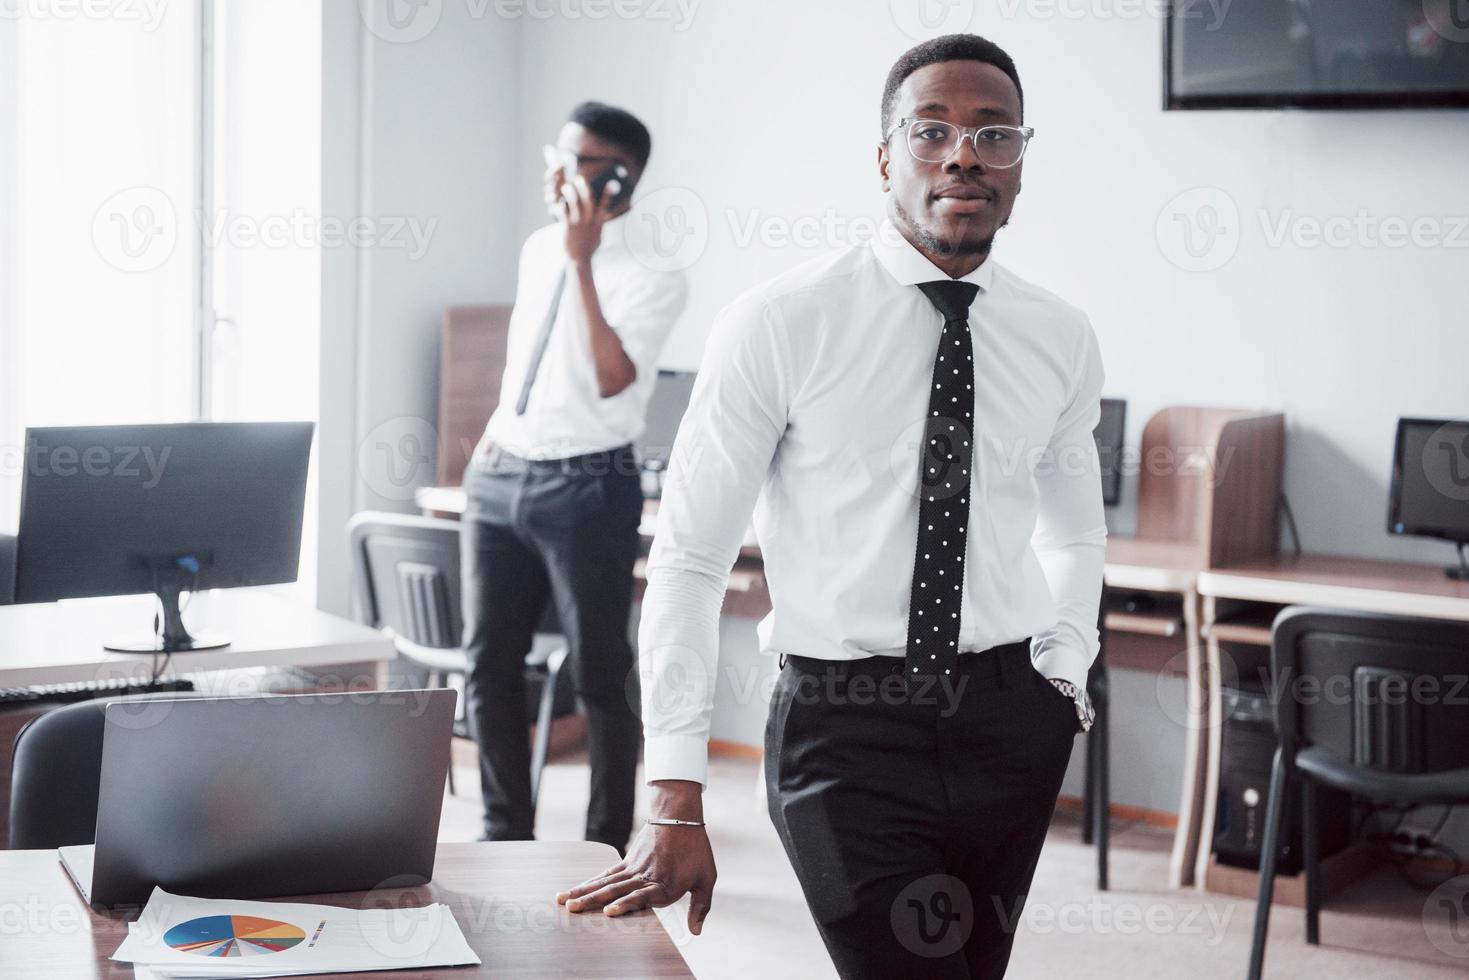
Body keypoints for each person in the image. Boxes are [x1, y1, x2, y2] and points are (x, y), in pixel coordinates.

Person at [556, 33, 1107, 979]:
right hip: (847, 727)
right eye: (930, 130)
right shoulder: (780, 322)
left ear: (1020, 161)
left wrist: (1062, 674)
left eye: (994, 134)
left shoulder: (1059, 334)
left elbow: (1072, 528)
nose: (964, 154)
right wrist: (673, 794)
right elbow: (689, 560)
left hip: (1011, 720)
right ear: (886, 156)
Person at [461, 101, 687, 856]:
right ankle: (503, 834)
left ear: (617, 179)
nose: (554, 171)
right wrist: (487, 449)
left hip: (587, 484)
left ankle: (604, 846)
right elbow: (532, 362)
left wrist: (583, 259)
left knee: (600, 673)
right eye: (554, 153)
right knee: (487, 666)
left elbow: (612, 376)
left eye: (574, 159)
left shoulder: (654, 273)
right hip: (501, 471)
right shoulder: (535, 249)